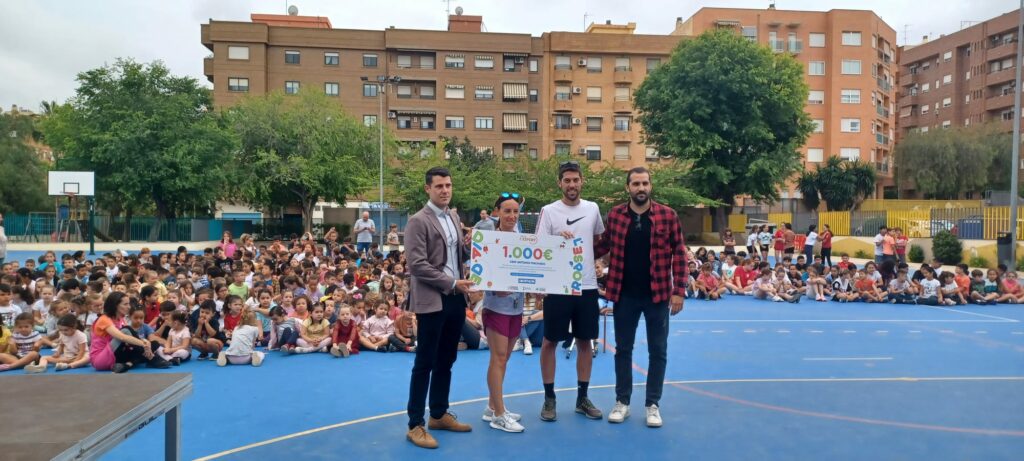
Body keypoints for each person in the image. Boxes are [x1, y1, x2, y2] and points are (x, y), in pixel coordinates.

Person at [594, 167, 687, 428]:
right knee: (623, 349)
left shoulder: (668, 216)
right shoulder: (615, 215)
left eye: (645, 183)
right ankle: (622, 401)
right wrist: (572, 248)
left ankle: (652, 404)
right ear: (628, 188)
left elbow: (679, 253)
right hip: (624, 294)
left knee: (658, 350)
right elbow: (602, 245)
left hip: (657, 295)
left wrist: (678, 290)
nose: (641, 188)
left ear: (651, 186)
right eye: (635, 183)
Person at [405, 167, 475, 449]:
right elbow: (417, 265)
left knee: (447, 358)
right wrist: (451, 282)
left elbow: (457, 256)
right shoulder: (417, 221)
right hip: (433, 298)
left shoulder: (454, 217)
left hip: (456, 298)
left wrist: (472, 248)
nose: (445, 190)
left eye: (448, 185)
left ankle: (438, 413)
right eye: (439, 186)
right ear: (427, 189)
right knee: (425, 362)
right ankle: (415, 424)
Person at [534, 160, 606, 422]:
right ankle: (549, 398)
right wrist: (556, 243)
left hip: (586, 286)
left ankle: (582, 398)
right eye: (567, 180)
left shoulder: (593, 209)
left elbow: (598, 241)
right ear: (560, 183)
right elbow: (540, 248)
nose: (572, 184)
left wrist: (596, 264)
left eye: (576, 180)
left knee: (586, 342)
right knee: (550, 341)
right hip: (558, 287)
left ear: (582, 181)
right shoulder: (548, 211)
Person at [480, 193, 528, 433]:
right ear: (496, 212)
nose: (511, 216)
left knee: (505, 358)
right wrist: (491, 286)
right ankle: (498, 414)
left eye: (515, 211)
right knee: (498, 358)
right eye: (507, 211)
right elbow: (480, 272)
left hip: (516, 307)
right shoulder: (489, 239)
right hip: (496, 307)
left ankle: (492, 406)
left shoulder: (523, 239)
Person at [90, 292, 156, 373]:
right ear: (115, 305)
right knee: (126, 331)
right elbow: (122, 337)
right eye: (125, 304)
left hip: (115, 356)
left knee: (154, 344)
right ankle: (154, 359)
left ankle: (127, 365)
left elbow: (131, 337)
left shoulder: (120, 319)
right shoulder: (104, 319)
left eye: (128, 304)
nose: (129, 307)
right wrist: (144, 344)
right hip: (100, 359)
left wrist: (145, 342)